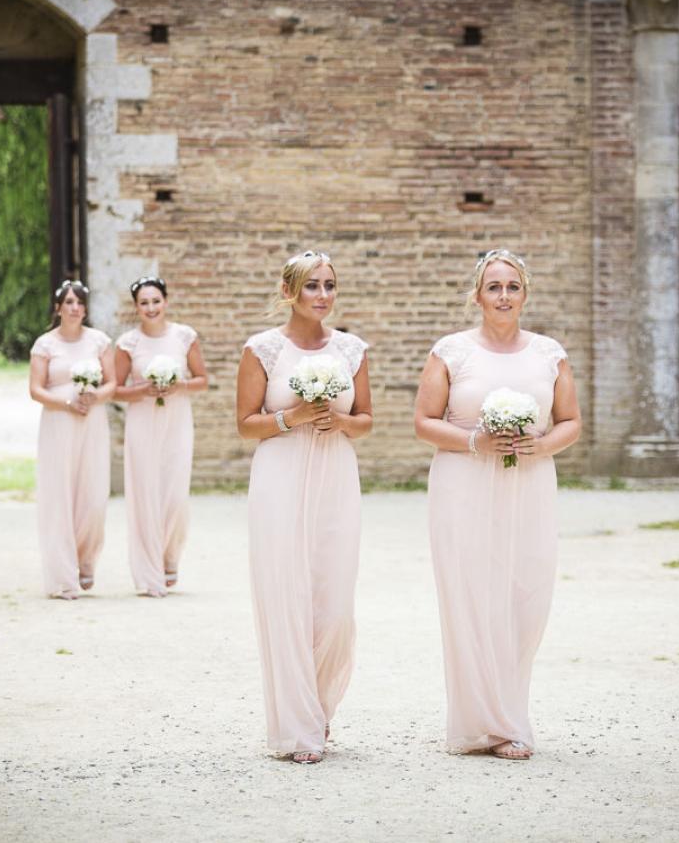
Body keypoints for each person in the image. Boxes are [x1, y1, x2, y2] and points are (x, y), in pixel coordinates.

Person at [413, 249, 582, 760]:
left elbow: (571, 421)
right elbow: (424, 421)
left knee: (523, 597)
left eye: (512, 287)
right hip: (463, 482)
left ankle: (509, 709)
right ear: (478, 296)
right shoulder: (451, 351)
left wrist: (542, 446)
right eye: (494, 287)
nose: (503, 296)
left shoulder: (549, 354)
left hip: (528, 484)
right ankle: (487, 724)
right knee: (470, 598)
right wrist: (473, 442)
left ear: (525, 294)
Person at [236, 251, 372, 764]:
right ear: (289, 290)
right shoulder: (263, 350)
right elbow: (246, 423)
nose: (322, 295)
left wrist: (339, 422)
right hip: (281, 477)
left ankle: (318, 704)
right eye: (312, 285)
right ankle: (297, 726)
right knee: (286, 598)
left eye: (329, 285)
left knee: (334, 605)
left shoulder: (352, 349)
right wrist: (291, 417)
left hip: (336, 476)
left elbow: (365, 420)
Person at [113, 275, 209, 597]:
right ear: (136, 307)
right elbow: (117, 389)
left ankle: (170, 556)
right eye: (144, 303)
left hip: (177, 422)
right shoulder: (129, 343)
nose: (151, 308)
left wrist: (178, 385)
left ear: (165, 302)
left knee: (174, 494)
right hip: (142, 423)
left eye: (156, 301)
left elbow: (202, 380)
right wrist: (145, 389)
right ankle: (148, 570)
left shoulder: (184, 337)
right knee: (145, 494)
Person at [28, 280, 116, 600]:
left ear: (85, 309)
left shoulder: (100, 342)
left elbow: (113, 383)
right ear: (58, 308)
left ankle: (86, 558)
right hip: (58, 423)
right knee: (59, 495)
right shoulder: (45, 345)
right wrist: (66, 403)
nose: (74, 307)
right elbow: (36, 389)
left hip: (91, 423)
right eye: (68, 302)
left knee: (92, 497)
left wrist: (95, 397)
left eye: (79, 302)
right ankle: (63, 574)